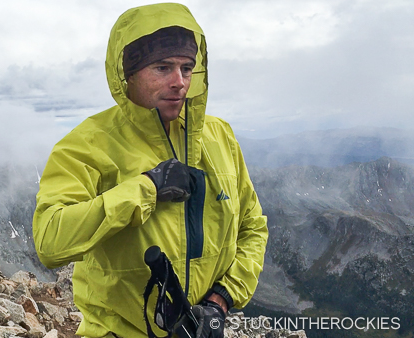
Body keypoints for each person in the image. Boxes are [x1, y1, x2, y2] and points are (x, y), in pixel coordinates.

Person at [33, 3, 268, 337]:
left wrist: (220, 301)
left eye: (187, 68)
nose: (179, 82)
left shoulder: (220, 137)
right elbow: (51, 240)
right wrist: (145, 188)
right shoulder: (87, 145)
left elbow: (252, 227)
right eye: (162, 68)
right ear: (127, 75)